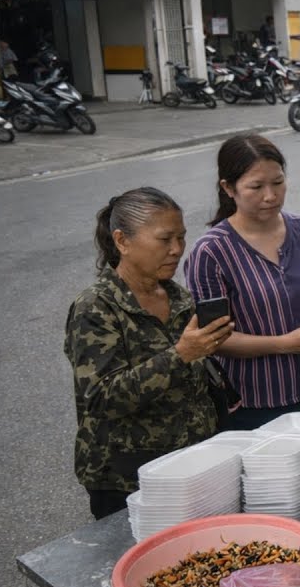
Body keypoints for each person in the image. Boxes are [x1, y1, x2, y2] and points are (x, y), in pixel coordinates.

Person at [65, 188, 231, 519]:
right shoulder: (96, 307)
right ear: (122, 242)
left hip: (190, 466)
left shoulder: (179, 297)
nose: (177, 250)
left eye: (181, 238)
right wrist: (180, 354)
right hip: (129, 480)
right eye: (164, 239)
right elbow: (101, 399)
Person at [185, 135, 300, 429]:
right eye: (256, 187)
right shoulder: (211, 252)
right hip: (252, 404)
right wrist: (284, 344)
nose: (270, 195)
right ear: (228, 188)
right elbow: (214, 340)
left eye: (278, 182)